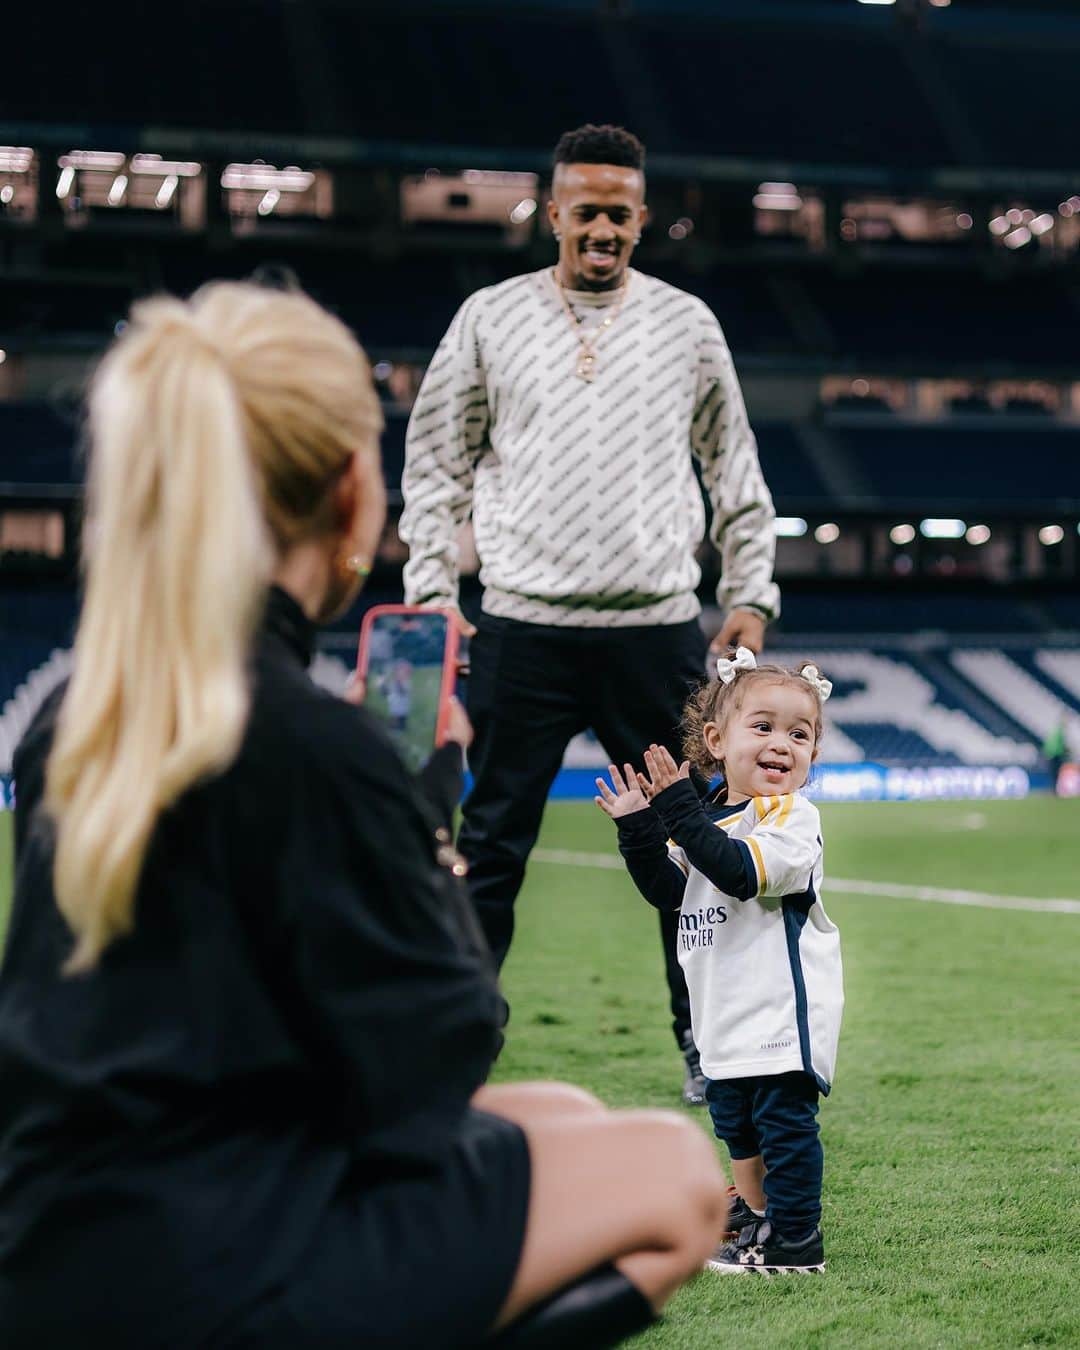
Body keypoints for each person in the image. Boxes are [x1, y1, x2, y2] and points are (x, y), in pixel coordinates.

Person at [0, 282, 731, 1348]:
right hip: (204, 1272)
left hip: (67, 1238)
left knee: (568, 1117)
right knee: (672, 1177)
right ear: (352, 497)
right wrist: (424, 809)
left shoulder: (75, 715)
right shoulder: (310, 747)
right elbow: (435, 1063)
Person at [399, 122, 780, 1104]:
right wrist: (433, 596)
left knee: (688, 845)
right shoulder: (489, 317)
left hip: (656, 630)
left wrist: (749, 590)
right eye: (585, 207)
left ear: (642, 219)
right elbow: (436, 462)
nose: (602, 225)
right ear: (554, 210)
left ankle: (708, 1047)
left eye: (620, 209)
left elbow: (732, 464)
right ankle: (454, 1047)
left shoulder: (688, 324)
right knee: (489, 853)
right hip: (520, 627)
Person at [596, 649, 843, 1274]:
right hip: (723, 1004)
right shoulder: (709, 817)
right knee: (735, 1120)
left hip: (780, 1005)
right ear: (715, 739)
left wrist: (677, 807)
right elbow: (672, 890)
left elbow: (735, 873)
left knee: (781, 1123)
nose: (782, 744)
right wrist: (639, 828)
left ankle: (794, 1239)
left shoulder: (790, 816)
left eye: (800, 734)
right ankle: (755, 1214)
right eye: (763, 727)